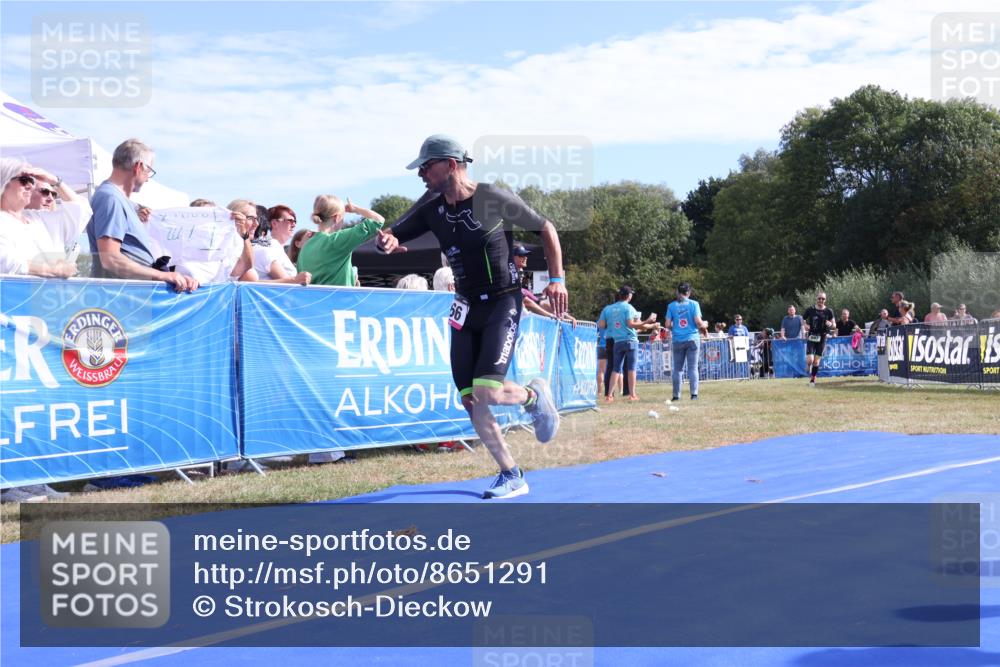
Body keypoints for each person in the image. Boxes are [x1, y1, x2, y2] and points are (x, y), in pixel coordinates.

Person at [375, 134, 566, 500]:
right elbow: (392, 234)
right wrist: (387, 242)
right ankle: (511, 474)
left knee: (487, 391)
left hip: (502, 303)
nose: (421, 174)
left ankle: (532, 397)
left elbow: (546, 228)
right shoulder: (431, 207)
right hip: (465, 307)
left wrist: (557, 280)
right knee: (470, 399)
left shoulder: (492, 197)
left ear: (451, 164)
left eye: (426, 167)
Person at [86, 139, 198, 292]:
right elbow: (110, 259)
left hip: (127, 295)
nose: (147, 179)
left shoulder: (117, 200)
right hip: (119, 297)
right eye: (149, 171)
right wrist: (162, 275)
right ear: (139, 167)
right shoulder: (111, 199)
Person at [0, 159, 86, 278]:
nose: (30, 186)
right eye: (24, 180)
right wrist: (54, 269)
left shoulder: (38, 218)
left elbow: (80, 211)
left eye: (31, 181)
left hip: (51, 290)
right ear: (3, 183)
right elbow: (6, 262)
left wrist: (56, 182)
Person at [296, 195, 385, 286]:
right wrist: (355, 209)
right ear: (337, 218)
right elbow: (378, 220)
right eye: (343, 217)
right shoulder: (336, 240)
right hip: (340, 295)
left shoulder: (305, 248)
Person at [598, 286, 658, 402]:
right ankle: (632, 395)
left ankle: (609, 395)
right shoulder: (629, 308)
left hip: (616, 341)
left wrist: (613, 325)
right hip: (630, 340)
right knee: (631, 368)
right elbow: (632, 324)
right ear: (629, 296)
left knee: (615, 368)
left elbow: (601, 325)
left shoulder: (608, 309)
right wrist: (649, 322)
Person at [665, 282, 707, 401]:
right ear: (688, 292)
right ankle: (694, 395)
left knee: (678, 369)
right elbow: (698, 322)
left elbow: (667, 324)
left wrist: (675, 328)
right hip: (692, 339)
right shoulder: (694, 304)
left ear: (678, 292)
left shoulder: (671, 306)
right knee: (693, 368)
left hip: (678, 340)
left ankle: (676, 396)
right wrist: (705, 324)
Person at [253, 204, 311, 285]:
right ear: (274, 223)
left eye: (295, 221)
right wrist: (296, 280)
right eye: (290, 221)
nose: (294, 225)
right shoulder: (269, 247)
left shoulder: (274, 248)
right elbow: (290, 283)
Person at [802, 292, 835, 385]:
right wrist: (805, 325)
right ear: (816, 299)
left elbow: (834, 324)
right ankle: (808, 365)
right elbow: (802, 318)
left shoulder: (829, 311)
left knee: (816, 362)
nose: (821, 300)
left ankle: (812, 380)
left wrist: (831, 324)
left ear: (825, 300)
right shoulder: (810, 309)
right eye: (819, 298)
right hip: (812, 336)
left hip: (822, 337)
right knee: (810, 360)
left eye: (823, 299)